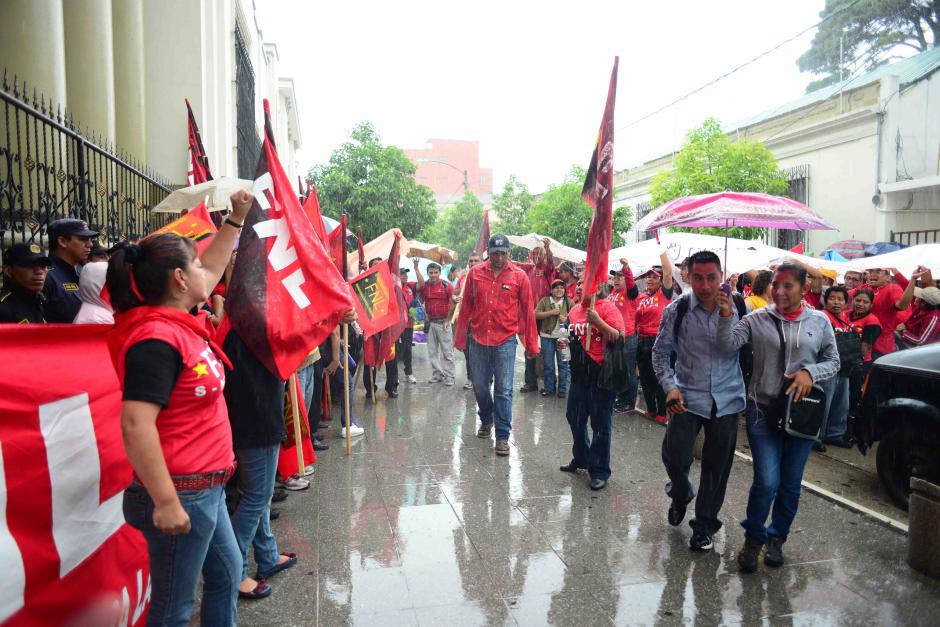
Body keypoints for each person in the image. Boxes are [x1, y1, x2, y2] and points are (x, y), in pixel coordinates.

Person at [106, 190, 250, 625]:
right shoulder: (155, 339)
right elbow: (136, 424)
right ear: (179, 280)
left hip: (206, 489)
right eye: (196, 264)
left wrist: (236, 218)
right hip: (182, 492)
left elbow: (211, 264)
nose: (208, 270)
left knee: (228, 573)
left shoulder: (177, 323)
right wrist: (165, 501)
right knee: (173, 609)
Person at [716, 263, 839, 573]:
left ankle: (777, 538)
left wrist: (811, 372)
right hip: (763, 411)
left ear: (803, 288)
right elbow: (727, 343)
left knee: (791, 484)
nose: (780, 291)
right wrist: (726, 315)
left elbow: (833, 361)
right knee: (767, 480)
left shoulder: (819, 321)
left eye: (788, 286)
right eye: (776, 285)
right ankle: (753, 538)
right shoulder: (757, 318)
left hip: (802, 415)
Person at [653, 251, 746, 552]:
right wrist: (670, 387)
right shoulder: (677, 310)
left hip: (728, 398)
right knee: (675, 457)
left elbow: (734, 346)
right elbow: (660, 353)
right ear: (687, 277)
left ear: (722, 277)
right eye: (698, 278)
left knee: (716, 468)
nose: (705, 286)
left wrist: (727, 317)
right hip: (686, 397)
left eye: (711, 278)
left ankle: (704, 525)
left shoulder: (739, 306)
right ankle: (680, 494)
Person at [222, 325, 296, 600]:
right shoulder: (256, 331)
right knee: (256, 497)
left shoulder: (242, 328)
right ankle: (236, 570)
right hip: (257, 423)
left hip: (253, 421)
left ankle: (267, 555)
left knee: (259, 496)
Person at [455, 234, 539, 456]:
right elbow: (466, 308)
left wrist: (531, 345)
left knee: (504, 390)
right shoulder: (475, 274)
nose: (499, 258)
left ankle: (502, 436)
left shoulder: (520, 277)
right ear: (488, 253)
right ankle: (486, 418)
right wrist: (461, 338)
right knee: (480, 386)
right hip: (479, 339)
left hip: (505, 341)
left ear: (509, 253)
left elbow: (528, 312)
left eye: (503, 253)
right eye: (495, 253)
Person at [562, 280, 624, 490]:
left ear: (596, 288)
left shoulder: (608, 307)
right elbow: (572, 336)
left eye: (585, 283)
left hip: (601, 374)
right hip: (579, 373)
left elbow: (618, 337)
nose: (579, 287)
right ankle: (581, 459)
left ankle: (599, 471)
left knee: (600, 424)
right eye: (578, 283)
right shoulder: (574, 311)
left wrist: (598, 322)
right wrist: (565, 342)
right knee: (574, 417)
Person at [635, 253, 674, 422]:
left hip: (658, 341)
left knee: (658, 377)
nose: (650, 280)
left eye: (654, 277)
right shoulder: (641, 297)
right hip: (641, 340)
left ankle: (661, 412)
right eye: (648, 277)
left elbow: (668, 272)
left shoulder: (664, 295)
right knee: (645, 376)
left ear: (660, 281)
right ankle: (650, 409)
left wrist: (661, 251)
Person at [817, 286, 857, 451]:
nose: (836, 302)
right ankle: (815, 436)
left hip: (843, 367)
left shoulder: (844, 318)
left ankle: (834, 434)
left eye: (840, 299)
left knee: (841, 404)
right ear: (826, 301)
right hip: (826, 366)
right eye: (833, 298)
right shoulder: (821, 316)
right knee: (823, 403)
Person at [518, 239, 556, 393]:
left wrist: (547, 248)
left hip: (546, 314)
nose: (536, 256)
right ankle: (530, 382)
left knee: (548, 349)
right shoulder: (530, 270)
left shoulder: (547, 269)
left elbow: (551, 263)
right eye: (533, 254)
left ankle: (550, 384)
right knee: (529, 348)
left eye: (538, 253)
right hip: (531, 314)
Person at [43, 218, 97, 322]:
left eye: (90, 239)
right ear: (62, 241)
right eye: (83, 239)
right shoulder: (45, 276)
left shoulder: (82, 270)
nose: (90, 245)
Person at [415, 259, 456, 385]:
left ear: (440, 273)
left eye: (435, 272)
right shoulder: (425, 286)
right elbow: (421, 300)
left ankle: (450, 377)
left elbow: (453, 304)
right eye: (431, 272)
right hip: (431, 323)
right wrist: (416, 269)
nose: (433, 275)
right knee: (432, 352)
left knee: (447, 352)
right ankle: (437, 374)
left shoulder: (446, 285)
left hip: (444, 323)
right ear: (427, 273)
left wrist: (448, 320)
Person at [608, 259, 640, 413]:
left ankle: (630, 402)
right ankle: (620, 398)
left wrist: (626, 268)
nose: (616, 280)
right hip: (614, 338)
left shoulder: (631, 293)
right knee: (618, 370)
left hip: (628, 337)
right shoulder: (612, 293)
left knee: (628, 371)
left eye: (619, 277)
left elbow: (631, 282)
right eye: (614, 277)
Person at [534, 278, 573, 397]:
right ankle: (549, 388)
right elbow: (535, 314)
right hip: (547, 337)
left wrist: (566, 320)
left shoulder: (569, 302)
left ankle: (562, 390)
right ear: (551, 290)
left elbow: (576, 318)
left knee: (563, 364)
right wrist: (550, 312)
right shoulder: (545, 301)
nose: (559, 290)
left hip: (563, 338)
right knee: (548, 364)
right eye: (556, 287)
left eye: (561, 287)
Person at [864, 267, 909, 359]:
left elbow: (901, 306)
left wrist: (912, 280)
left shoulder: (893, 288)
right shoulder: (865, 288)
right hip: (864, 344)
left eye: (878, 271)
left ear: (888, 277)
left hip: (882, 346)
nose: (872, 274)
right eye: (871, 271)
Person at [453, 252, 482, 389]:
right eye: (471, 261)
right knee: (468, 352)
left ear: (481, 262)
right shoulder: (463, 278)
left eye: (476, 261)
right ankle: (471, 378)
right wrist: (455, 297)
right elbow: (456, 293)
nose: (473, 264)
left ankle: (486, 379)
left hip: (482, 321)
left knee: (484, 353)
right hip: (467, 322)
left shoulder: (486, 277)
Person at [0, 242, 50, 323]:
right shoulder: (3, 308)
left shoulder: (43, 302)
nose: (39, 271)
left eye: (43, 265)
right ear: (8, 271)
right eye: (30, 265)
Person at [398, 267, 417, 384]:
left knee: (407, 350)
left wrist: (413, 313)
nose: (404, 276)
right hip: (395, 325)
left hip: (408, 325)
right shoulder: (392, 287)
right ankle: (394, 376)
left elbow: (413, 304)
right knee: (394, 351)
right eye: (402, 274)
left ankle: (409, 373)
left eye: (405, 274)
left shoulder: (409, 287)